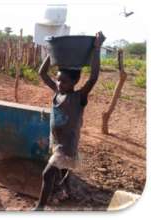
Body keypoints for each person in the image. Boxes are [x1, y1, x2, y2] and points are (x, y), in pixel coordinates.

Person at [34, 32, 106, 210]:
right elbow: (42, 73)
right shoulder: (58, 93)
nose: (59, 84)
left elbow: (94, 77)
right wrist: (52, 53)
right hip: (57, 142)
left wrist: (96, 49)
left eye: (64, 81)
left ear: (75, 81)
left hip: (67, 146)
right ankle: (67, 188)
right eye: (58, 80)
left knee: (47, 174)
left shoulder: (78, 97)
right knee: (63, 169)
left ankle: (40, 208)